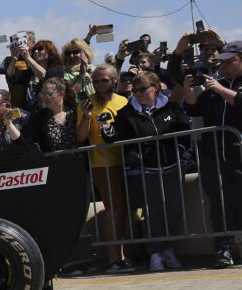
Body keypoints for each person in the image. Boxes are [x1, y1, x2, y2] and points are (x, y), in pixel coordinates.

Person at [100, 71, 191, 272]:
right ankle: (155, 254)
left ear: (155, 87)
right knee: (152, 213)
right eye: (135, 90)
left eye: (142, 89)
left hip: (172, 168)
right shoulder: (126, 113)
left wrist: (179, 151)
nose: (137, 93)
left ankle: (168, 248)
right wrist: (105, 126)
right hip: (146, 170)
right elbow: (114, 136)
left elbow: (185, 133)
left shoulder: (172, 108)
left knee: (173, 210)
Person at [183, 39, 242, 267]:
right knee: (218, 205)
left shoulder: (221, 87)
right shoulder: (215, 86)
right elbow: (193, 109)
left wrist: (219, 88)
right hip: (213, 156)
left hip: (237, 156)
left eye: (230, 62)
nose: (224, 67)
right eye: (222, 63)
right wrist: (189, 91)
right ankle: (223, 250)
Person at [76, 63, 132, 272]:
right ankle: (113, 259)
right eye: (96, 81)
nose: (99, 85)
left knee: (123, 210)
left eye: (104, 80)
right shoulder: (85, 104)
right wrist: (88, 117)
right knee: (114, 209)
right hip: (103, 163)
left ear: (115, 80)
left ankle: (122, 255)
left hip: (126, 161)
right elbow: (81, 137)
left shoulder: (124, 101)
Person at [13, 78, 78, 151]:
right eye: (43, 94)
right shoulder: (38, 118)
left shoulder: (76, 112)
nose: (45, 98)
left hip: (81, 160)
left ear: (61, 93)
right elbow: (24, 141)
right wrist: (9, 124)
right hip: (53, 161)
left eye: (49, 94)